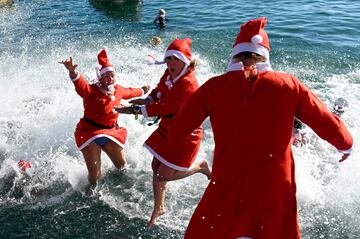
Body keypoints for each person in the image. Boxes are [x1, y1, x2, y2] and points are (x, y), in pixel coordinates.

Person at [167, 17, 353, 239]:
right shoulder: (289, 84)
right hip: (275, 190)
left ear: (235, 53)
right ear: (265, 54)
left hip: (228, 186)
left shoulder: (213, 88)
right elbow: (326, 123)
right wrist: (346, 146)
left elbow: (176, 131)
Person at [115, 38, 211, 227]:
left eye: (175, 59)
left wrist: (130, 111)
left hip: (185, 133)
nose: (171, 63)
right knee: (155, 167)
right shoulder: (169, 72)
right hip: (168, 127)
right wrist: (146, 99)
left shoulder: (188, 84)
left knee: (162, 175)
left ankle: (200, 167)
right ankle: (160, 207)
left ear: (186, 61)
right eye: (168, 59)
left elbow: (164, 108)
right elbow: (159, 90)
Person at [59, 48, 149, 193]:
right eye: (105, 76)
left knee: (122, 167)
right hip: (90, 133)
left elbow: (131, 91)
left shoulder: (118, 90)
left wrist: (143, 90)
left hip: (111, 132)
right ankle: (91, 192)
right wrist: (73, 72)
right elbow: (80, 85)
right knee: (95, 176)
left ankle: (125, 189)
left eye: (112, 75)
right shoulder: (91, 91)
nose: (109, 79)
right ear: (99, 77)